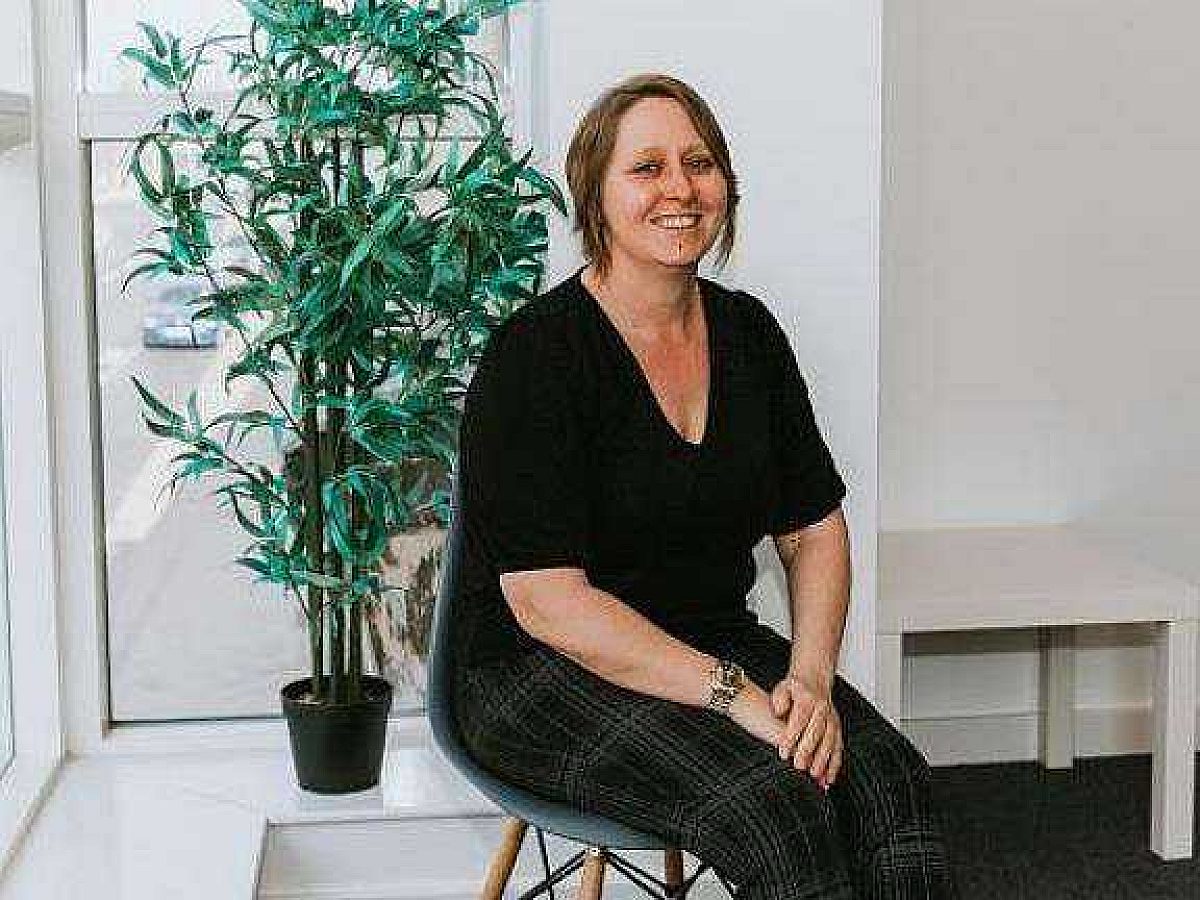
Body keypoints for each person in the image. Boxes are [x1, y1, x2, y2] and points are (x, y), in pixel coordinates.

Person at [451, 73, 958, 899]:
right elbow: (551, 603)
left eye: (700, 162)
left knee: (891, 780)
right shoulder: (535, 357)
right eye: (646, 167)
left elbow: (811, 529)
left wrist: (810, 681)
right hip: (538, 671)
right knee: (779, 810)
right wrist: (740, 701)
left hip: (711, 634)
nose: (680, 188)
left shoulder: (748, 333)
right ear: (596, 194)